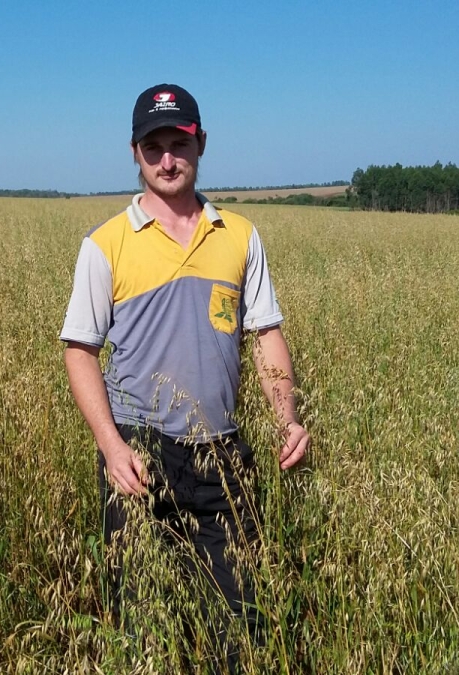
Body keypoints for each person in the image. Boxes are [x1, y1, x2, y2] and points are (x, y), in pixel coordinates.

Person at [60, 84, 310, 663]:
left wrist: (287, 420)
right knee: (143, 627)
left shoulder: (239, 235)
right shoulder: (105, 244)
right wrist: (112, 448)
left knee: (242, 626)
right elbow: (79, 351)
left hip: (224, 455)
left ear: (201, 144)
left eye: (179, 144)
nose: (167, 160)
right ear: (135, 152)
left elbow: (265, 335)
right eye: (154, 147)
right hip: (139, 455)